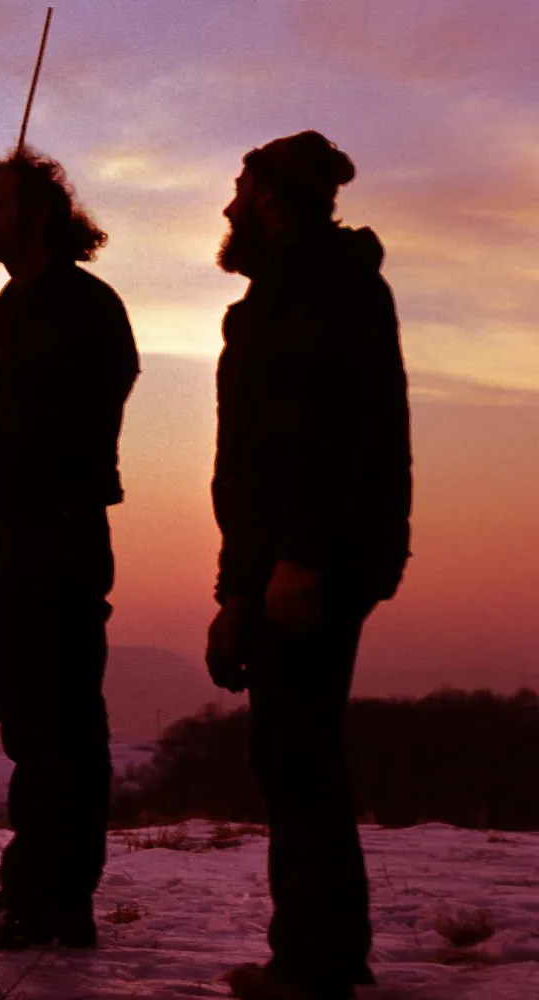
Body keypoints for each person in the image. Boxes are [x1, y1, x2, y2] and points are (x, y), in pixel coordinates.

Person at [206, 131, 410, 1000]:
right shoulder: (279, 295)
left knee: (299, 753)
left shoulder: (325, 287)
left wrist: (299, 561)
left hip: (314, 561)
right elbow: (252, 462)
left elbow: (327, 438)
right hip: (283, 560)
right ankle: (318, 955)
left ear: (275, 196)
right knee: (290, 753)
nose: (227, 205)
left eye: (240, 186)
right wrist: (235, 590)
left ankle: (316, 965)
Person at [0, 150, 139, 950]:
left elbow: (62, 419)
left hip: (56, 530)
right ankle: (35, 891)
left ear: (41, 214)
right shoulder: (18, 307)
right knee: (29, 719)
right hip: (13, 531)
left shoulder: (79, 306)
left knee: (59, 721)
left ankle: (58, 902)